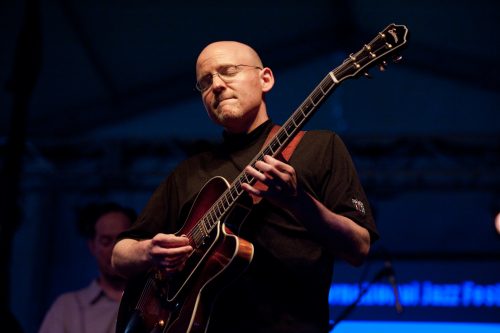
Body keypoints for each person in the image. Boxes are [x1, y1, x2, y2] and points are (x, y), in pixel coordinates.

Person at [112, 41, 378, 333]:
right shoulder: (189, 172)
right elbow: (120, 255)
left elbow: (358, 248)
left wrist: (298, 201)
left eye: (228, 71)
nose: (216, 85)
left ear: (266, 79)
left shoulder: (319, 147)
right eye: (205, 81)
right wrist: (150, 251)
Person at [39, 202, 136, 333]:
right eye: (106, 241)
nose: (115, 249)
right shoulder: (66, 307)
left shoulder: (153, 301)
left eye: (122, 241)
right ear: (92, 246)